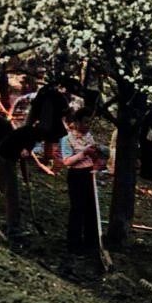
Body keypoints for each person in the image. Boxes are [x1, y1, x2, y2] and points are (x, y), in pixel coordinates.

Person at [60, 110, 106, 257]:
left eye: (90, 123)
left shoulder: (89, 137)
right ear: (77, 122)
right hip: (76, 176)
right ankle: (74, 243)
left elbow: (95, 156)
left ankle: (90, 243)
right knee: (77, 209)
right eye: (85, 122)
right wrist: (83, 153)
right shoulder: (67, 139)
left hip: (89, 175)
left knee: (91, 209)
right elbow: (67, 161)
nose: (88, 126)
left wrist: (97, 160)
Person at [0, 124, 45, 246]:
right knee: (12, 197)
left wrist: (26, 179)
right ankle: (13, 230)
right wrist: (26, 179)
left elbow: (22, 159)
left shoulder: (25, 132)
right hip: (4, 162)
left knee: (10, 195)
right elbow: (24, 156)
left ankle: (10, 223)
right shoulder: (31, 137)